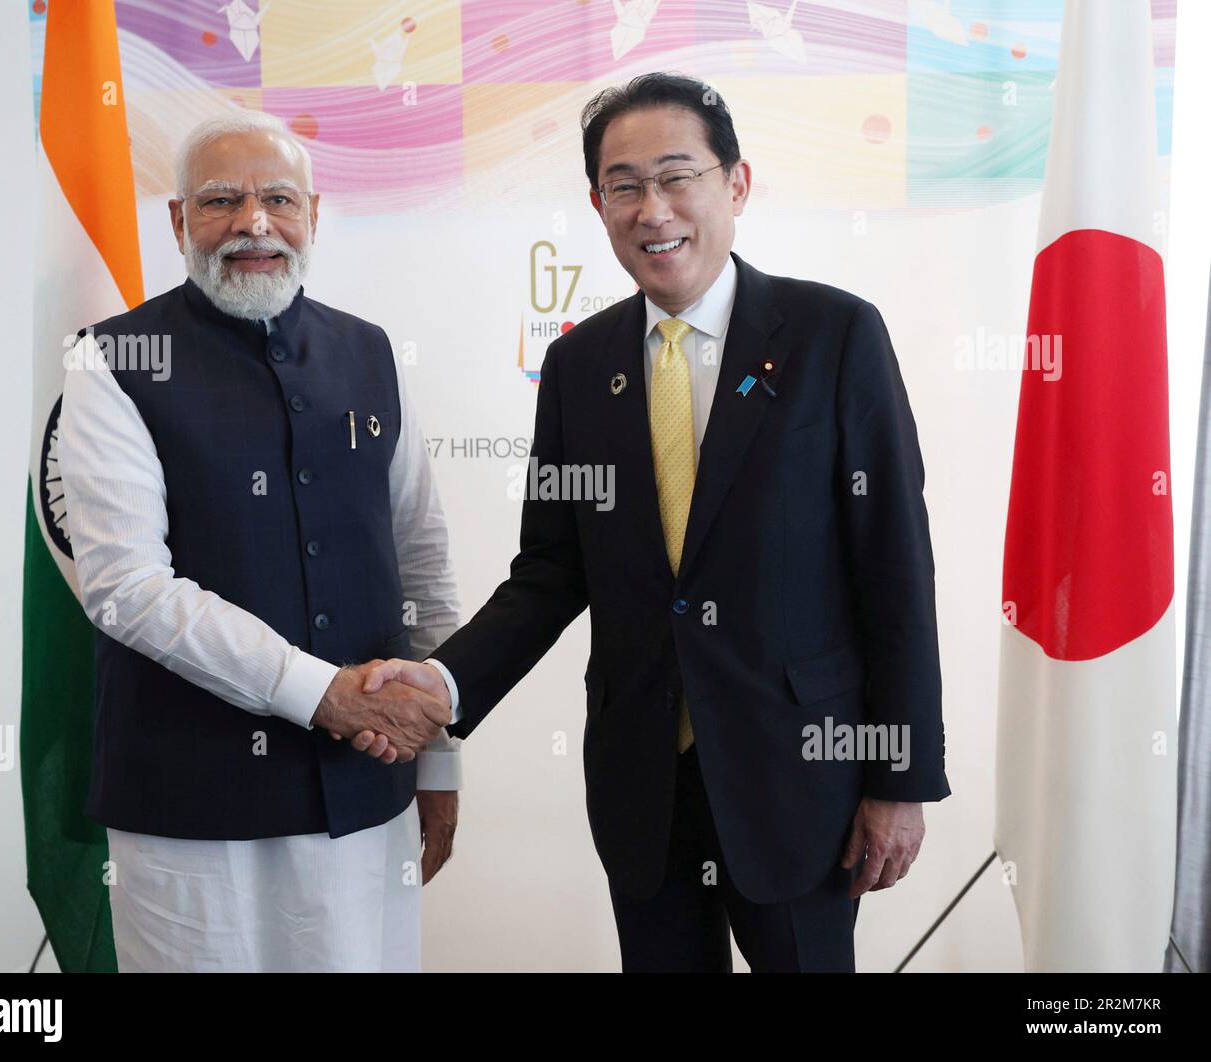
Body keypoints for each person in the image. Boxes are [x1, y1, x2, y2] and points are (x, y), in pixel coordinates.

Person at [358, 73, 951, 972]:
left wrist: (899, 778)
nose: (653, 208)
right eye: (624, 185)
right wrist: (443, 685)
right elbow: (551, 573)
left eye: (678, 176)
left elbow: (896, 571)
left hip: (799, 779)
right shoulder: (577, 365)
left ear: (736, 184)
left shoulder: (834, 337)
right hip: (645, 782)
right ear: (597, 204)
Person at [58, 111, 460, 972]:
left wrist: (442, 767)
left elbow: (421, 559)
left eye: (278, 198)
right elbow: (125, 586)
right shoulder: (112, 362)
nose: (253, 222)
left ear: (313, 214)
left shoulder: (371, 353)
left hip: (366, 789)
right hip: (190, 810)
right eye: (220, 201)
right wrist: (325, 694)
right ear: (176, 222)